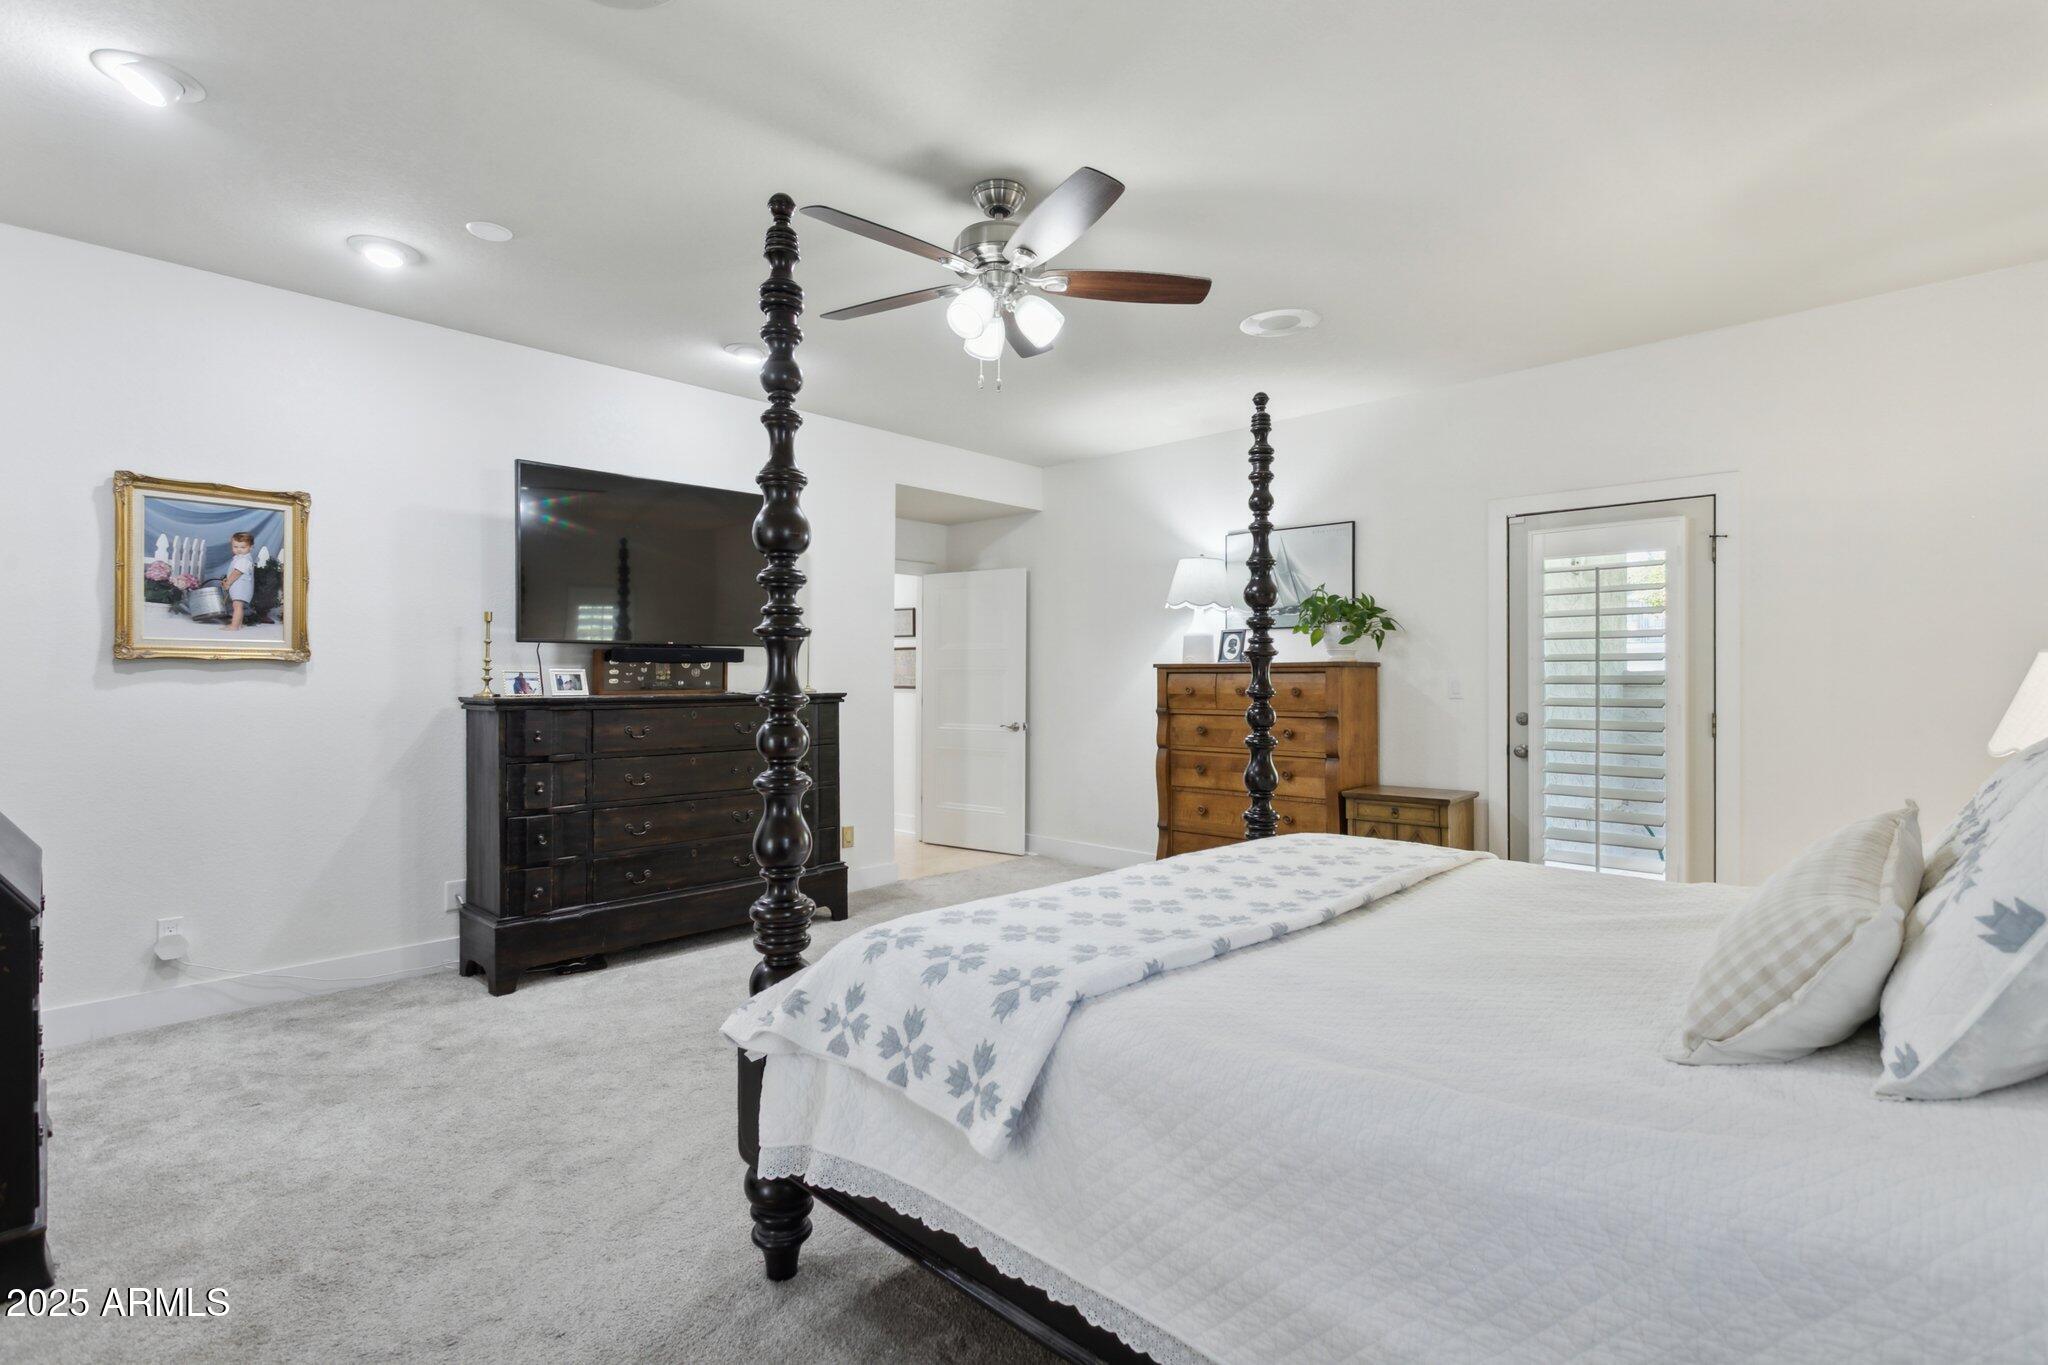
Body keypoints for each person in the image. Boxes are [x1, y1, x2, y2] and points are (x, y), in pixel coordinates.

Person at [221, 532, 256, 631]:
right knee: (238, 606)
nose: (239, 550)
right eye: (235, 547)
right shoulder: (241, 558)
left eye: (243, 547)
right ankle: (238, 624)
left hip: (241, 587)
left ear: (251, 547)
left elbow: (237, 573)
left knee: (237, 606)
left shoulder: (244, 560)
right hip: (240, 586)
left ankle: (234, 626)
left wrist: (228, 583)